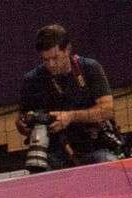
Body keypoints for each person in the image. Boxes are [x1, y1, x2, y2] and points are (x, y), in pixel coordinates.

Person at [16, 23, 118, 170]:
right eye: (45, 60)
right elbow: (21, 120)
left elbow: (108, 110)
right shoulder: (32, 80)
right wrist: (23, 124)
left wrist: (70, 117)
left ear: (68, 49)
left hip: (94, 146)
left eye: (55, 58)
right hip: (54, 150)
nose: (51, 64)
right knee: (40, 173)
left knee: (109, 164)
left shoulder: (89, 68)